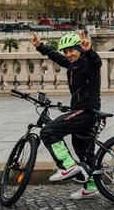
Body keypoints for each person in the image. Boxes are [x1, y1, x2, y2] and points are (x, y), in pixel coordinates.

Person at [30, 30, 102, 200]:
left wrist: (89, 50)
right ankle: (91, 187)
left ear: (79, 48)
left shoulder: (87, 63)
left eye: (72, 50)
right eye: (66, 51)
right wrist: (41, 47)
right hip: (80, 110)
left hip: (85, 111)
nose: (69, 54)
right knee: (84, 152)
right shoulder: (72, 64)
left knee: (48, 131)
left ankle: (68, 166)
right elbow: (56, 57)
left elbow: (97, 62)